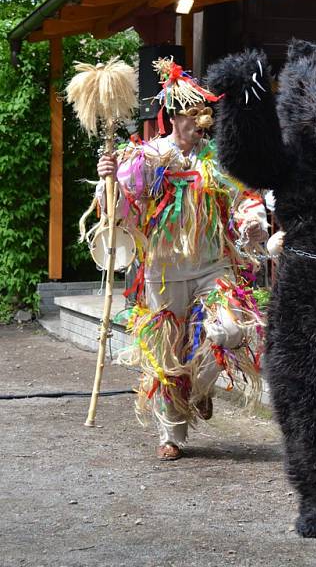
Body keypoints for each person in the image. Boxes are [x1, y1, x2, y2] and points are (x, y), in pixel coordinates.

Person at [94, 58, 268, 461]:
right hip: (163, 271)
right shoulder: (145, 157)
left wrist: (253, 224)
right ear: (173, 118)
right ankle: (171, 434)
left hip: (213, 266)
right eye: (192, 114)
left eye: (205, 113)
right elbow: (120, 214)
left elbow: (246, 201)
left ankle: (202, 388)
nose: (201, 120)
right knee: (166, 355)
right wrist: (108, 181)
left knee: (232, 329)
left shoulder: (219, 158)